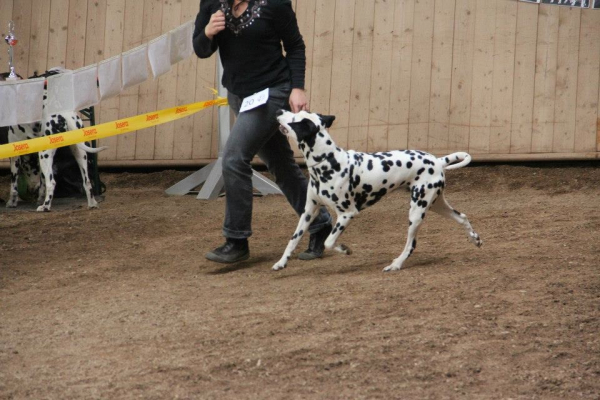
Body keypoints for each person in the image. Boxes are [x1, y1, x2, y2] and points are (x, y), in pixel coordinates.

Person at [193, 0, 332, 264]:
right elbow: (200, 49)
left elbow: (295, 46)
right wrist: (208, 33)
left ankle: (236, 240)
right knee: (281, 164)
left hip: (272, 92)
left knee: (234, 159)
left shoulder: (275, 3)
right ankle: (320, 224)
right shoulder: (212, 3)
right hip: (239, 95)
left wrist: (297, 88)